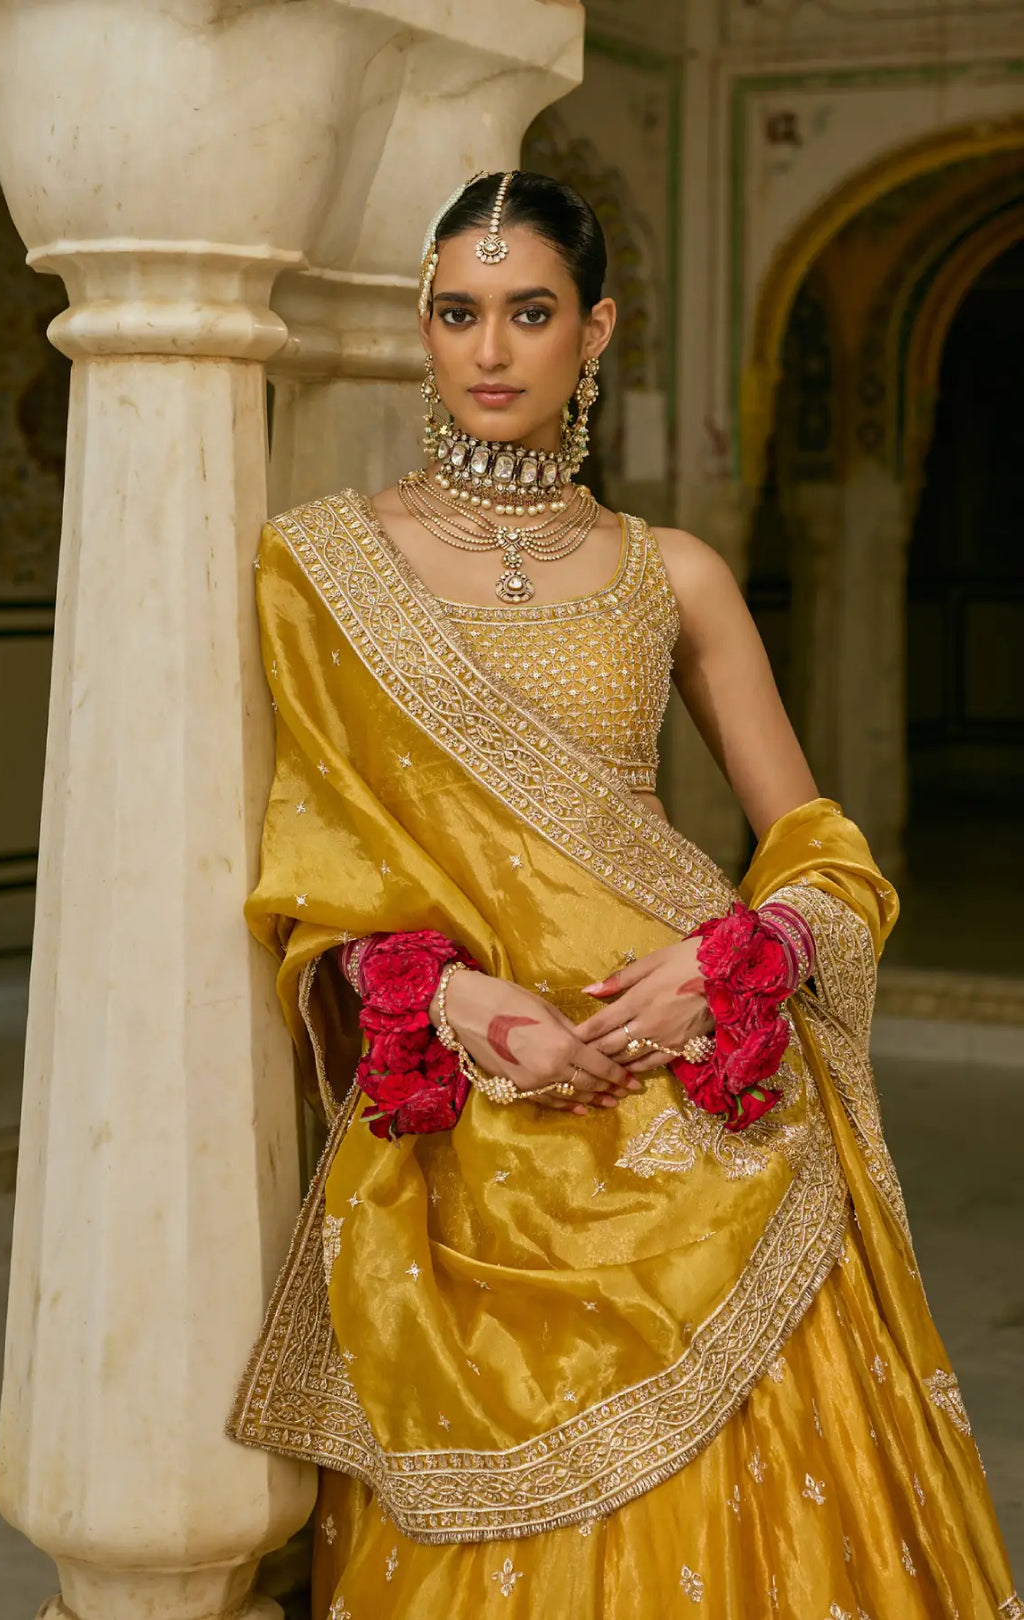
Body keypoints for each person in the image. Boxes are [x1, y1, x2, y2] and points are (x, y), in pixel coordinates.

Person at [228, 171, 1020, 1619]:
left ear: (595, 332)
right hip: (472, 1123)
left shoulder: (677, 571)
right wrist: (454, 1001)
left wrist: (740, 960)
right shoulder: (322, 566)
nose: (488, 350)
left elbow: (824, 850)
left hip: (703, 1106)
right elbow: (319, 868)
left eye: (528, 314)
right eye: (458, 313)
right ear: (422, 327)